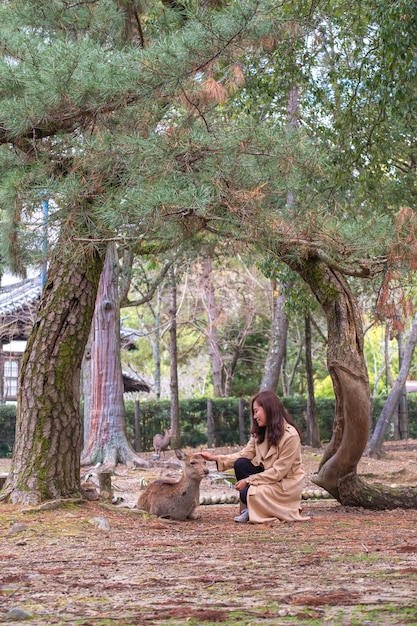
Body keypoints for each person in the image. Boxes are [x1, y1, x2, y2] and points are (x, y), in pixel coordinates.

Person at [199, 390, 310, 524]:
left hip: (283, 484)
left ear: (269, 409)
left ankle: (260, 508)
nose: (255, 416)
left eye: (256, 411)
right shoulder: (260, 432)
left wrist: (249, 481)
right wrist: (216, 458)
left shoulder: (290, 436)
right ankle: (251, 509)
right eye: (253, 412)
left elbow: (278, 472)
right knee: (241, 464)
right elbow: (245, 454)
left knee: (248, 493)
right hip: (267, 477)